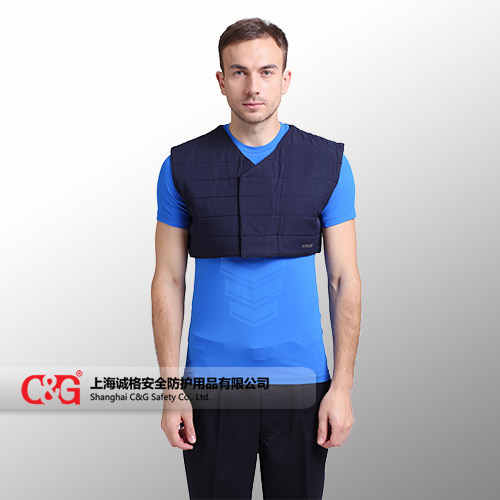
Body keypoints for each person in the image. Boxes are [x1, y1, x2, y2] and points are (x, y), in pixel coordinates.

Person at [151, 17, 362, 500]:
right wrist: (171, 390)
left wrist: (343, 388)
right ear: (221, 80)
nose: (253, 87)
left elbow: (344, 279)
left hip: (303, 385)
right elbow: (168, 280)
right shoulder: (181, 166)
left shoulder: (328, 164)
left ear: (286, 79)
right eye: (239, 72)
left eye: (266, 72)